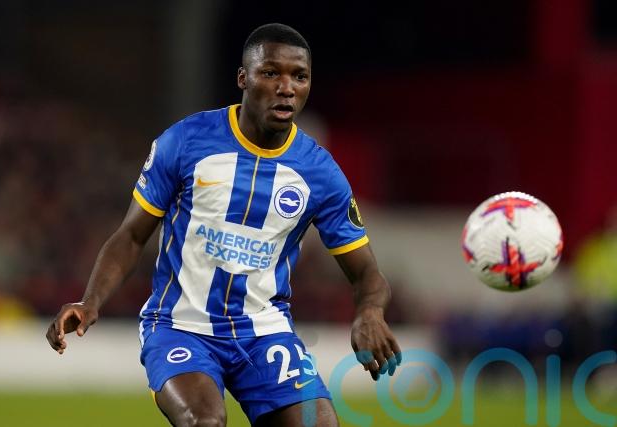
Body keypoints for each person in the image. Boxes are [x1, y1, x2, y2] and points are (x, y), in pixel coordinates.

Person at [46, 23, 401, 427]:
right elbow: (131, 236)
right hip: (180, 326)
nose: (287, 88)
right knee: (205, 421)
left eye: (299, 77)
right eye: (271, 73)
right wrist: (90, 301)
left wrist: (370, 312)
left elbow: (367, 273)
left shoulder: (320, 174)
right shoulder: (186, 141)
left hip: (264, 333)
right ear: (243, 78)